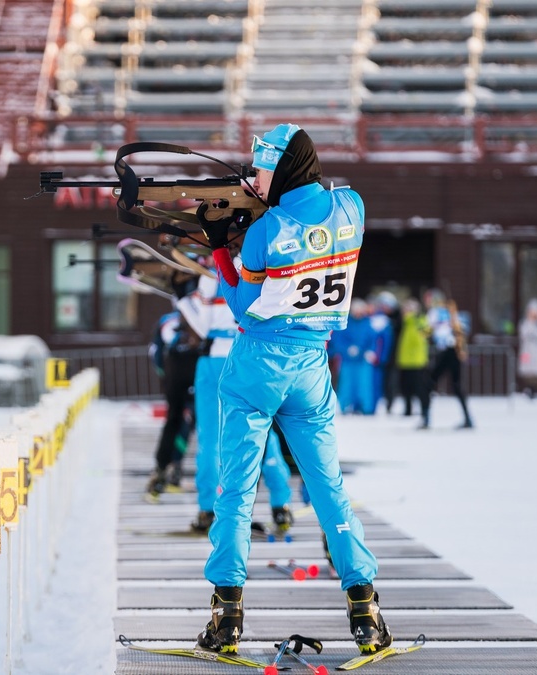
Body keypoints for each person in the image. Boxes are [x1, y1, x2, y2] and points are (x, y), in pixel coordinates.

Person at [194, 123, 389, 657]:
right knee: (329, 490)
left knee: (236, 490)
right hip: (312, 365)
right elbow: (313, 224)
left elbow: (243, 305)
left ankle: (226, 613)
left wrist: (219, 248)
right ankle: (365, 607)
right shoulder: (353, 207)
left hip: (257, 363)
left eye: (260, 169)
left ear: (278, 166)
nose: (254, 179)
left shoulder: (265, 231)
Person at [175, 260, 293, 535]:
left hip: (216, 357)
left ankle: (207, 509)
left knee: (212, 436)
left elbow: (200, 325)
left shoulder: (212, 272)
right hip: (253, 356)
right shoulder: (261, 263)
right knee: (263, 431)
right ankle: (281, 503)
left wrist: (182, 298)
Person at [146, 307, 201, 498]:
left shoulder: (167, 320)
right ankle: (174, 468)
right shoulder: (202, 311)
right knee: (201, 423)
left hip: (175, 373)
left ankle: (162, 470)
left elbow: (155, 352)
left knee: (174, 420)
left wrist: (164, 376)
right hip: (199, 371)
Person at [422, 290, 474, 429]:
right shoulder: (451, 312)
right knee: (457, 386)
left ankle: (426, 419)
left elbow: (425, 332)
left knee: (428, 383)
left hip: (447, 351)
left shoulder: (436, 313)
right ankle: (468, 419)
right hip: (453, 352)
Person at [329, 299, 381, 415]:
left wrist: (370, 351)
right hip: (347, 360)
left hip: (363, 360)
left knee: (364, 384)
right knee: (346, 384)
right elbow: (337, 340)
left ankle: (365, 407)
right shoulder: (345, 323)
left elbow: (373, 339)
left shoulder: (368, 323)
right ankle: (345, 406)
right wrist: (346, 349)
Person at [395, 298, 431, 417]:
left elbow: (423, 337)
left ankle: (424, 410)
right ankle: (408, 409)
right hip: (405, 359)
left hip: (417, 360)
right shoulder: (405, 322)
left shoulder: (419, 321)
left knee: (419, 387)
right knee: (405, 387)